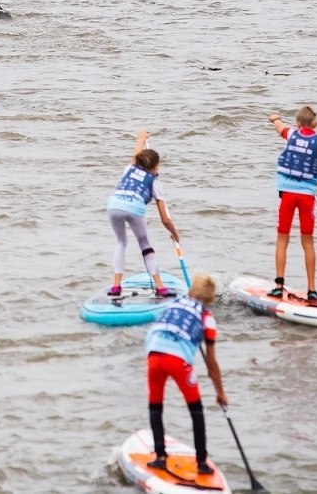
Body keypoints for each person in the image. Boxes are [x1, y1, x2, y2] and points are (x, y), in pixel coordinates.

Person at [143, 274, 228, 476]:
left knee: (155, 405)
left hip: (153, 354)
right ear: (211, 300)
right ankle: (201, 463)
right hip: (177, 362)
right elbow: (212, 364)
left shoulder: (174, 303)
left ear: (190, 292)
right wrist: (220, 393)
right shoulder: (207, 318)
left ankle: (160, 458)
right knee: (195, 409)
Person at [266, 106, 317, 302]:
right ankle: (312, 290)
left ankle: (279, 286)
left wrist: (274, 117)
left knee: (282, 239)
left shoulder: (292, 134)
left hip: (288, 194)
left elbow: (279, 126)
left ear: (298, 124)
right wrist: (315, 183)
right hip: (307, 197)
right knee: (308, 242)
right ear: (314, 124)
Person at [106, 129, 180, 299]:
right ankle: (161, 288)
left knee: (121, 242)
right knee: (144, 243)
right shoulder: (155, 181)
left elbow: (135, 156)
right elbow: (165, 219)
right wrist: (175, 234)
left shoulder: (129, 169)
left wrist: (141, 138)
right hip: (133, 207)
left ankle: (116, 286)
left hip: (114, 205)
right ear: (155, 166)